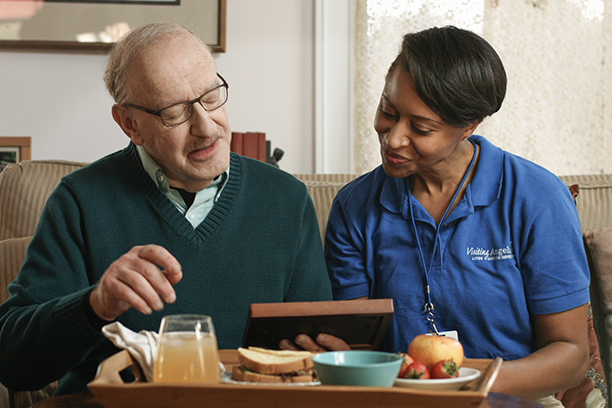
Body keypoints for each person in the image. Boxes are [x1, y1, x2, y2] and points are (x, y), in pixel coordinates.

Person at [0, 22, 332, 396]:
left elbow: (314, 347)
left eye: (211, 97)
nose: (207, 128)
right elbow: (13, 364)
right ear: (131, 124)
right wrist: (94, 305)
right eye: (175, 112)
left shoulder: (286, 200)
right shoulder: (79, 201)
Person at [291, 26, 590, 405]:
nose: (393, 137)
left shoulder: (538, 198)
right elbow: (359, 342)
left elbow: (570, 355)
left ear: (469, 126)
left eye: (421, 128)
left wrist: (464, 381)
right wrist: (337, 354)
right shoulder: (355, 206)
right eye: (388, 110)